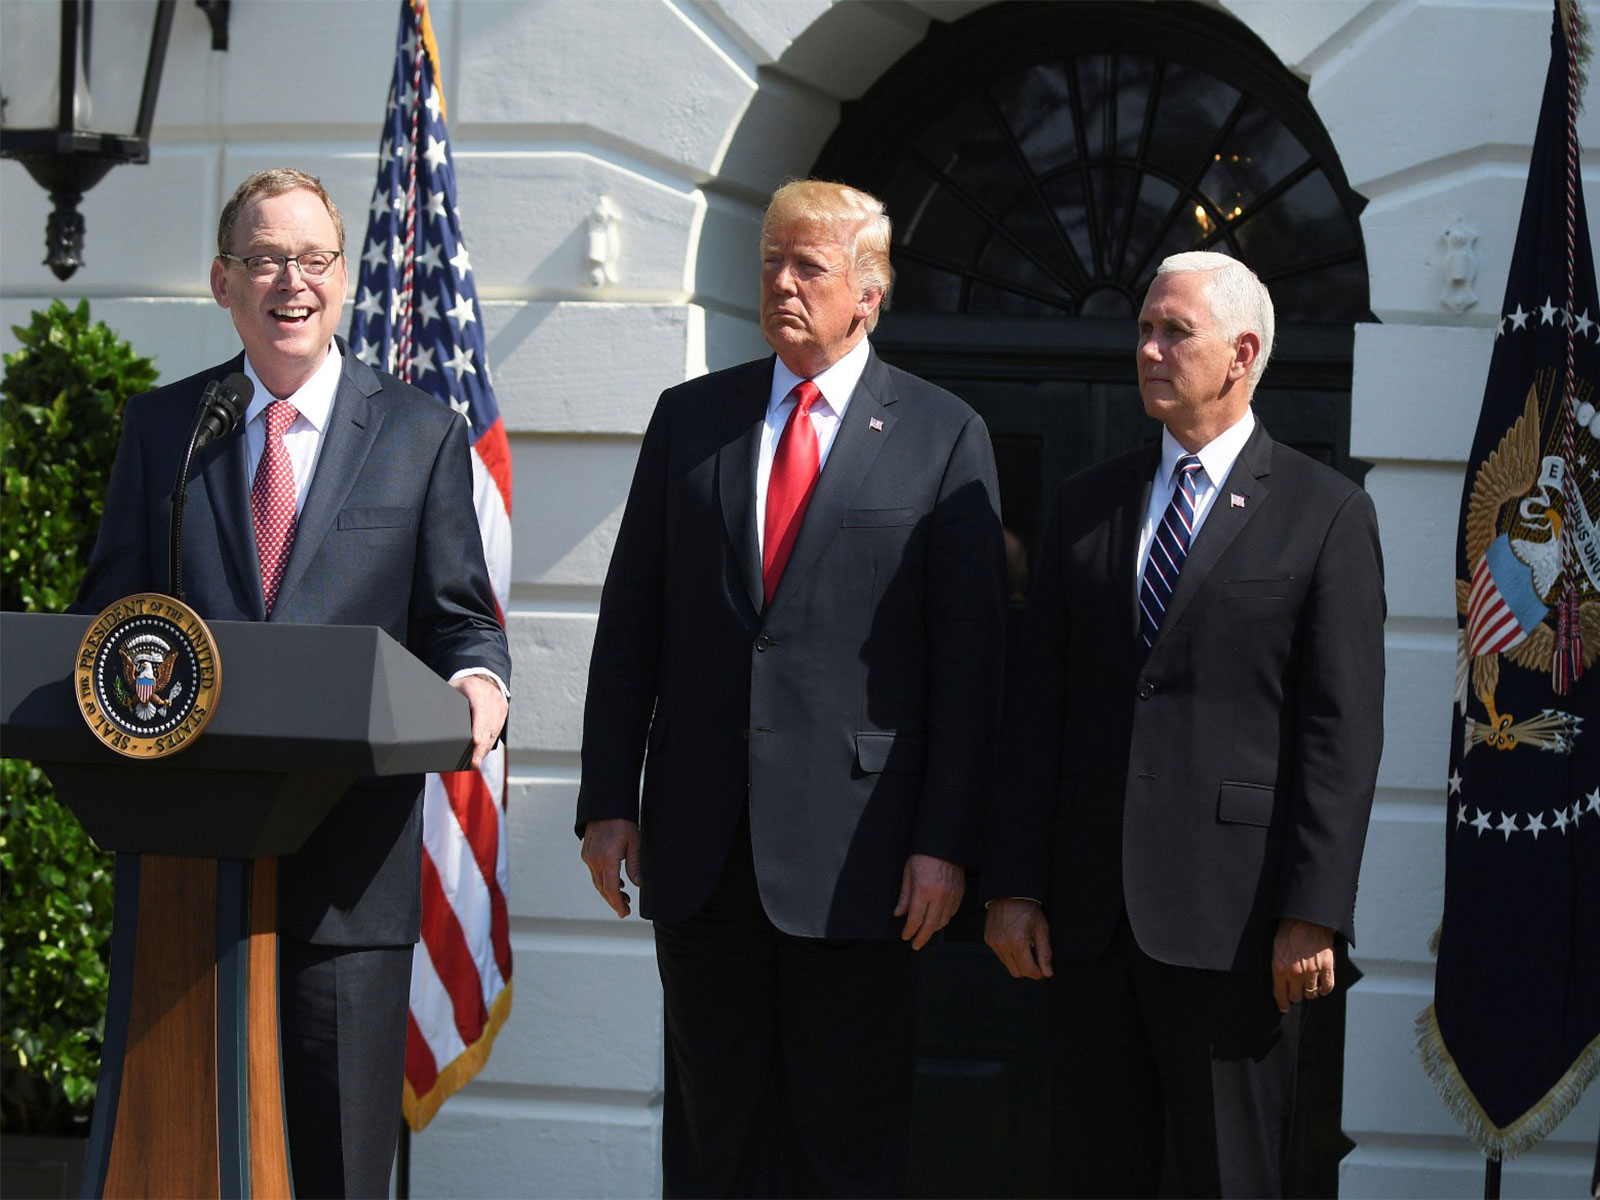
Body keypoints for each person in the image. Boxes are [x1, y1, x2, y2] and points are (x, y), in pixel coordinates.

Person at [74, 168, 510, 1198]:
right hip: (192, 869)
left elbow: (460, 622)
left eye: (312, 258)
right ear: (223, 281)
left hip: (347, 879)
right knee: (189, 1160)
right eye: (265, 259)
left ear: (342, 276)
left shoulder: (417, 435)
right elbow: (107, 621)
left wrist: (479, 686)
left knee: (335, 1169)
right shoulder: (167, 430)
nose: (291, 281)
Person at [576, 179, 1006, 1196]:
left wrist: (944, 843)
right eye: (771, 259)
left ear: (868, 292)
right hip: (701, 845)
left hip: (860, 858)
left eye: (806, 265)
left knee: (840, 1144)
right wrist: (606, 801)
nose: (780, 281)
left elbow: (970, 665)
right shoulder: (692, 420)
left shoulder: (941, 435)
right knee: (714, 1135)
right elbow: (633, 619)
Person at [982, 251, 1385, 1197]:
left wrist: (1312, 909)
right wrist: (1013, 884)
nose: (1150, 349)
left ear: (1242, 353)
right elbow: (1036, 709)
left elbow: (1341, 731)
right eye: (1145, 330)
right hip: (1088, 922)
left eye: (1175, 332)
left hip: (1239, 927)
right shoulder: (1087, 504)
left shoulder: (1326, 514)